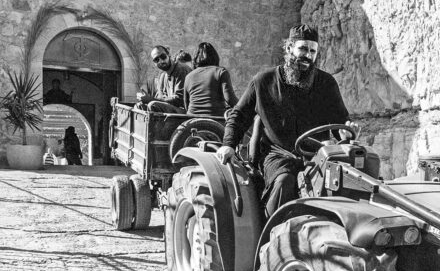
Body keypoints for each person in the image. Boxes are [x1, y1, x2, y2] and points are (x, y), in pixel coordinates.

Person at [216, 24, 358, 217]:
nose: (307, 55)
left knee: (349, 182)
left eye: (312, 51)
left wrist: (346, 130)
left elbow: (341, 119)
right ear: (290, 48)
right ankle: (272, 234)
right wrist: (228, 144)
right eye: (303, 48)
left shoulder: (326, 83)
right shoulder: (263, 81)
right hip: (277, 154)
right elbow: (238, 115)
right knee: (285, 181)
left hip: (317, 155)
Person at [183, 42, 238, 116]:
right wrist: (245, 108)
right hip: (216, 120)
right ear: (215, 56)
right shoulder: (221, 72)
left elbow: (186, 104)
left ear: (196, 58)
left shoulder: (188, 76)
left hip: (192, 119)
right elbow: (230, 99)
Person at [136, 45, 191, 113]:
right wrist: (145, 99)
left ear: (169, 54)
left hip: (183, 111)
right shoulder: (163, 76)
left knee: (153, 105)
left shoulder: (181, 70)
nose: (161, 61)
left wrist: (150, 99)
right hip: (170, 110)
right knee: (139, 106)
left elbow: (179, 100)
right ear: (154, 63)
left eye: (163, 57)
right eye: (156, 60)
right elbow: (160, 98)